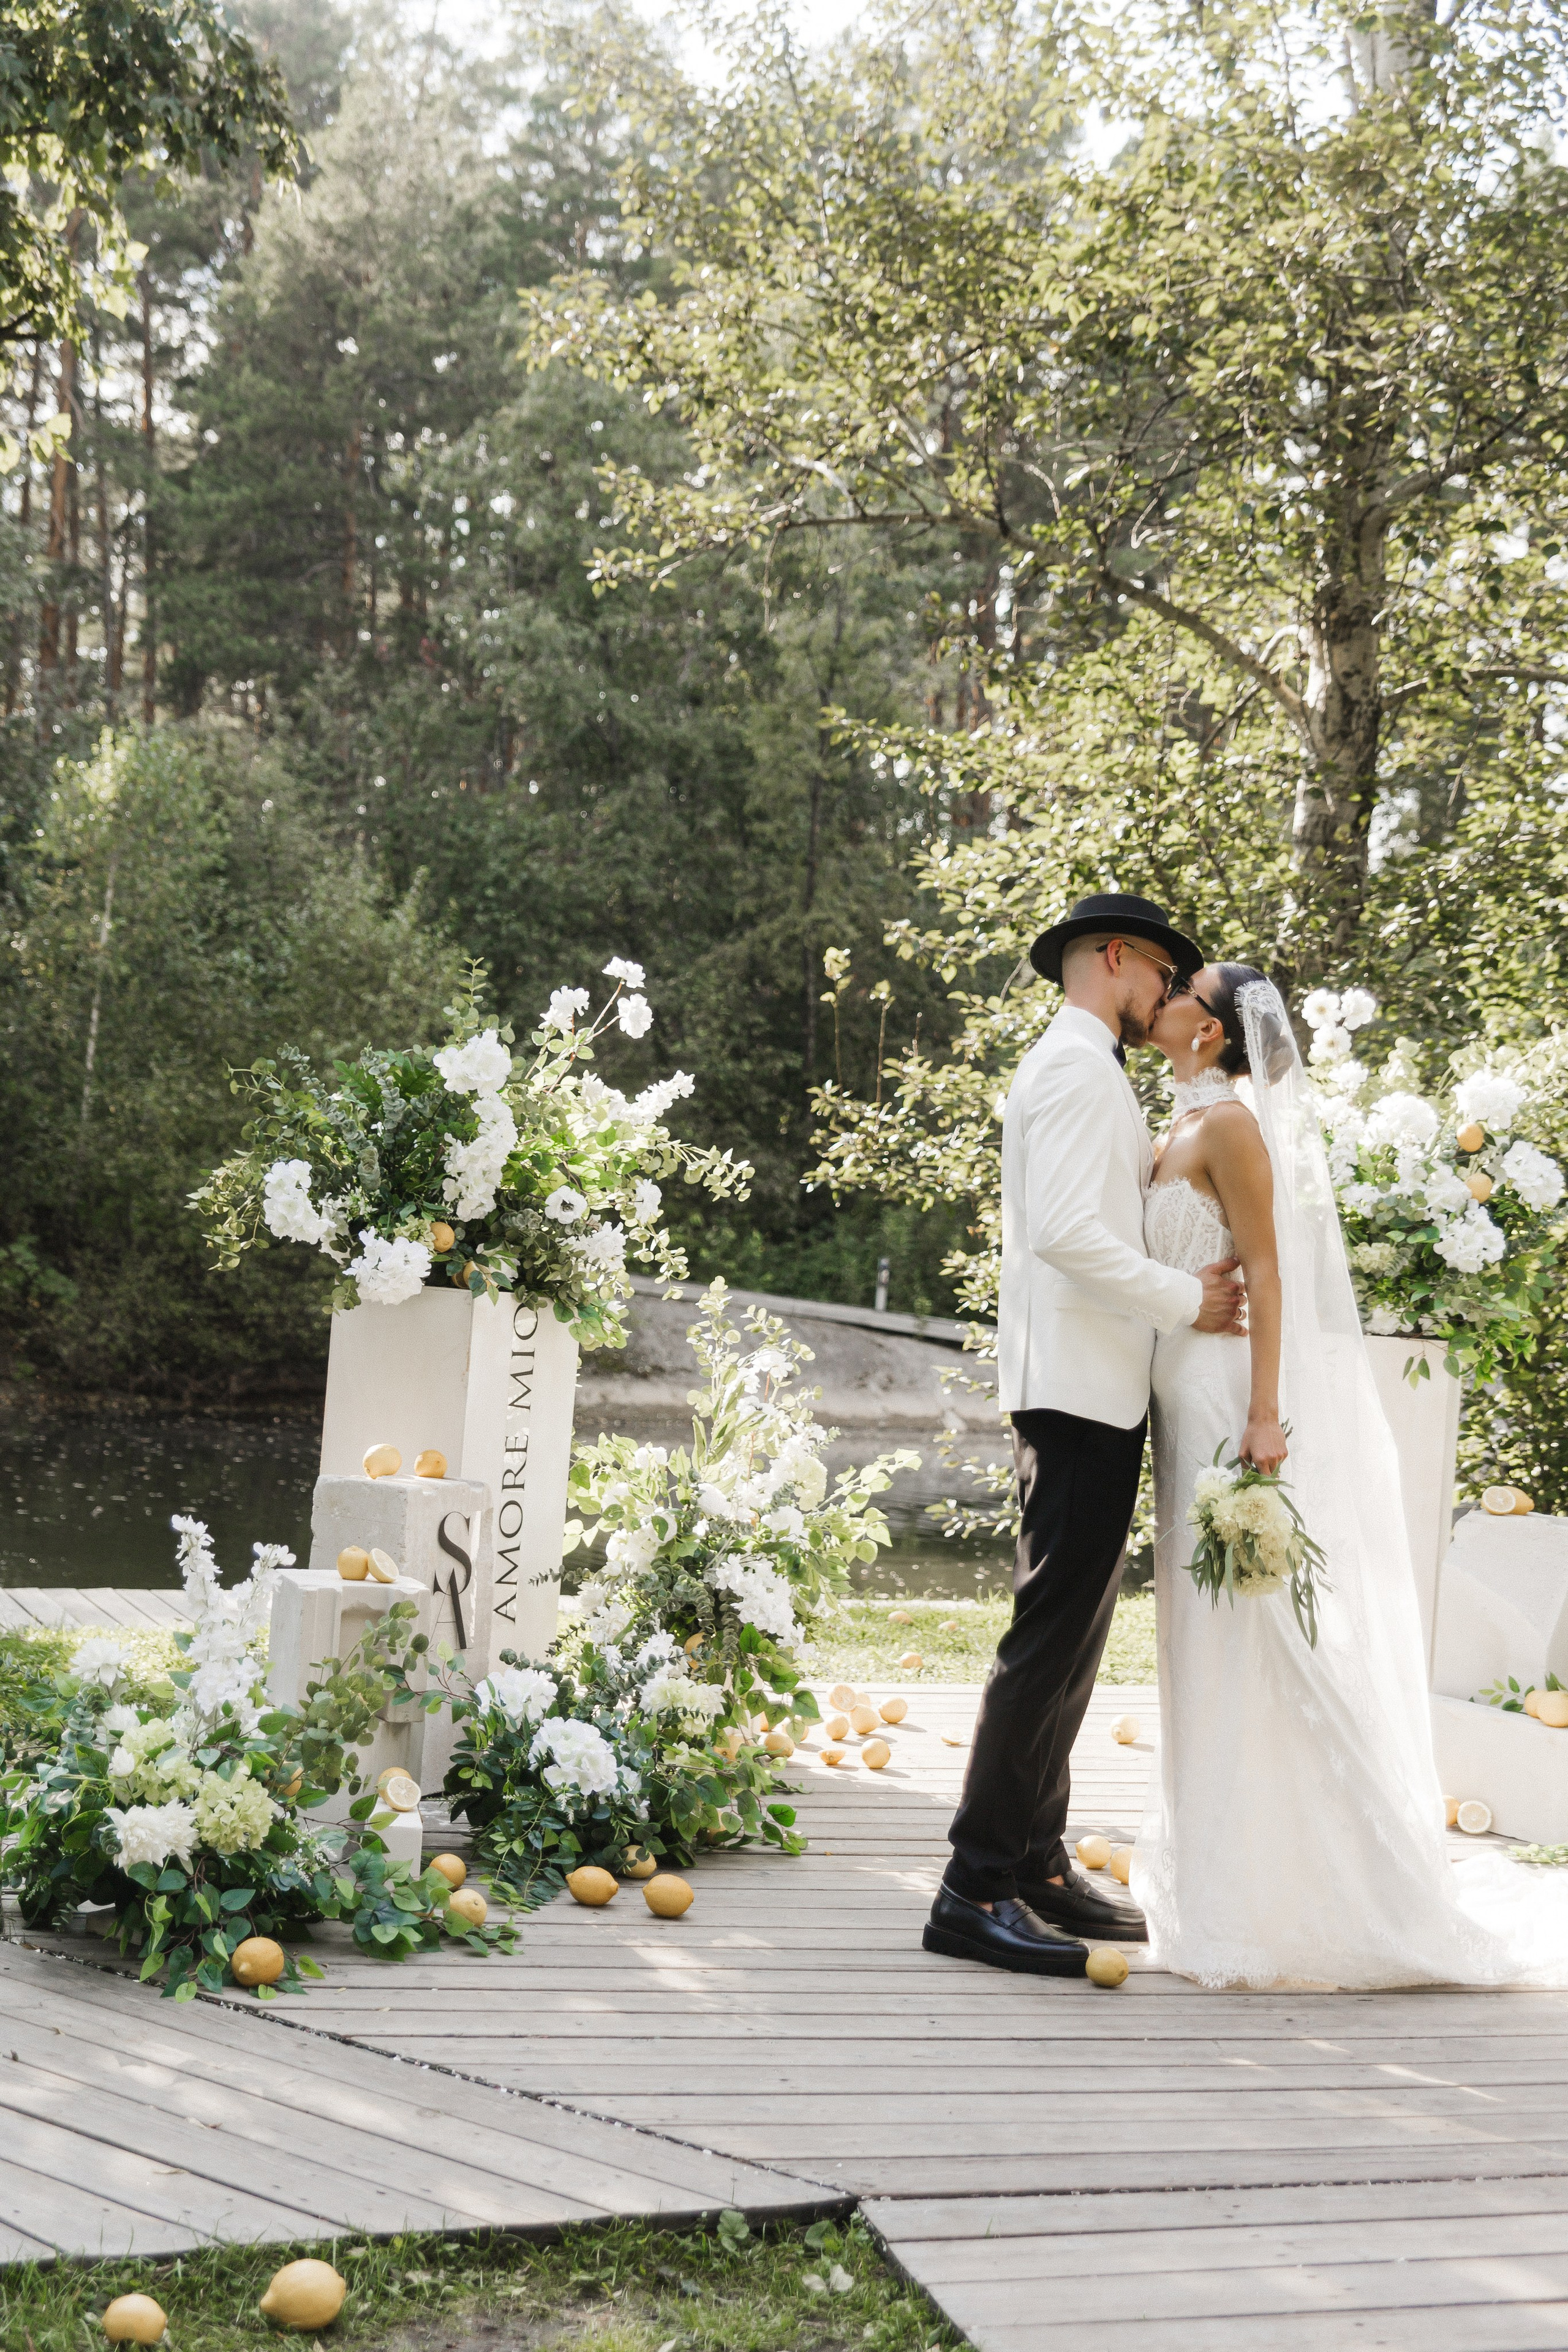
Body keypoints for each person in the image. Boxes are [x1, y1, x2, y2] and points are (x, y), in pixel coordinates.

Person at [1135, 965, 1561, 1988]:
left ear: (1215, 1031)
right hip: (1171, 1388)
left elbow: (1271, 1271)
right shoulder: (1168, 1124)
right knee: (1205, 1630)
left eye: (1184, 989)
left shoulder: (1231, 1127)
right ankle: (1218, 1866)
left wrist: (1266, 1411)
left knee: (1255, 1628)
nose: (1166, 995)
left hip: (1223, 1393)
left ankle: (1336, 1879)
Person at [923, 892, 1248, 1978]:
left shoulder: (1085, 1066)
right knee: (1049, 1635)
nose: (1163, 994)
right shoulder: (1070, 1069)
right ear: (1117, 958)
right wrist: (1180, 1298)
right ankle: (973, 1887)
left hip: (1093, 1383)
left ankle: (1035, 1862)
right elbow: (1064, 1234)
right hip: (1074, 1385)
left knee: (1077, 1633)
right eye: (1160, 973)